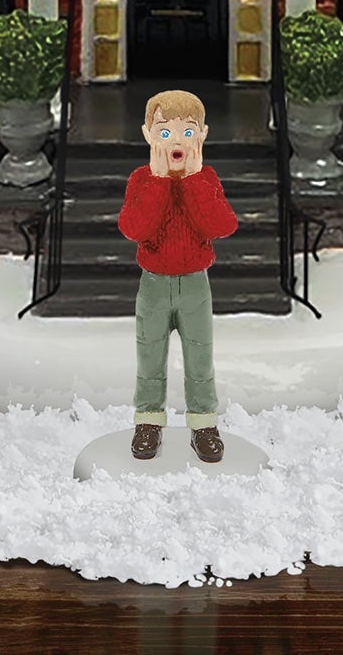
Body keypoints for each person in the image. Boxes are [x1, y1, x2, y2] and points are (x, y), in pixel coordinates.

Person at [117, 87, 238, 462]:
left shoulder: (206, 179)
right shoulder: (141, 179)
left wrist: (192, 181)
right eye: (165, 132)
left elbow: (220, 225)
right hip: (153, 284)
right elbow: (135, 228)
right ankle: (148, 420)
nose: (177, 142)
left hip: (195, 285)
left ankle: (204, 424)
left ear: (202, 135)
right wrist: (158, 181)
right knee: (149, 356)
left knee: (200, 358)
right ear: (148, 135)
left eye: (187, 131)